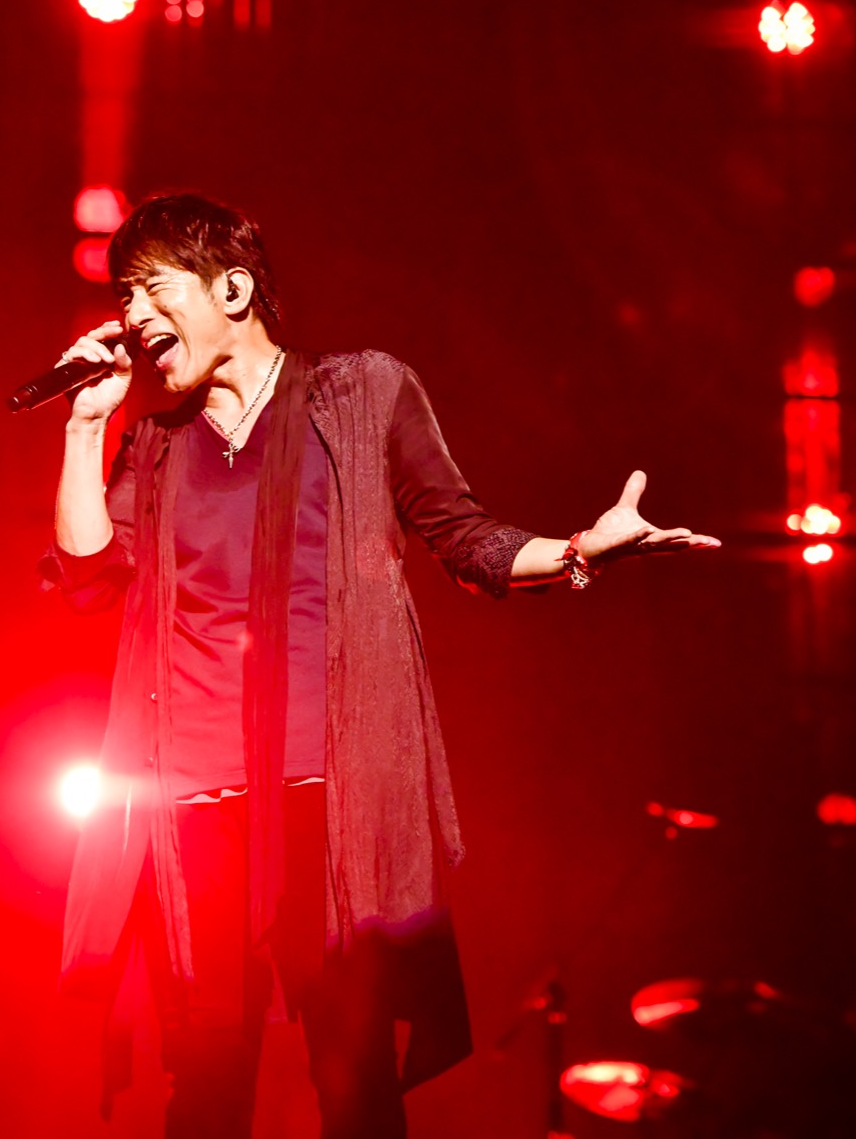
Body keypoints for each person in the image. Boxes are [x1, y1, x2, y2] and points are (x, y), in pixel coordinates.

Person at [42, 193, 719, 1139]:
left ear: (232, 290)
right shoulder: (155, 444)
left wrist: (577, 552)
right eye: (125, 296)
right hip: (192, 811)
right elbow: (86, 580)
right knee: (203, 1089)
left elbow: (465, 538)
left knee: (353, 1079)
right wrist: (84, 427)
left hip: (330, 806)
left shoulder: (360, 395)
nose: (134, 315)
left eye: (154, 290)